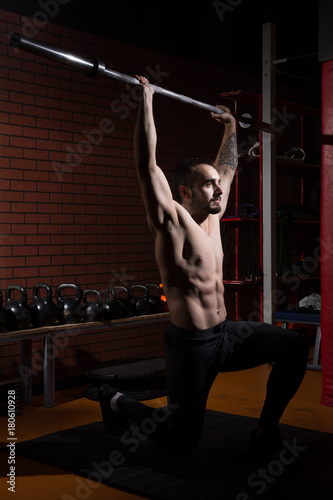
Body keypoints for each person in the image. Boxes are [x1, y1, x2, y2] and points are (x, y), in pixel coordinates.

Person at [99, 76, 309, 462]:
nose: (219, 189)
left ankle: (266, 432)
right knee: (181, 441)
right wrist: (146, 99)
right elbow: (147, 166)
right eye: (208, 185)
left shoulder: (214, 217)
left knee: (294, 346)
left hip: (226, 334)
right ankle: (116, 401)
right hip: (191, 347)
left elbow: (228, 166)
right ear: (184, 192)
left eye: (217, 184)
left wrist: (231, 127)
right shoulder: (171, 223)